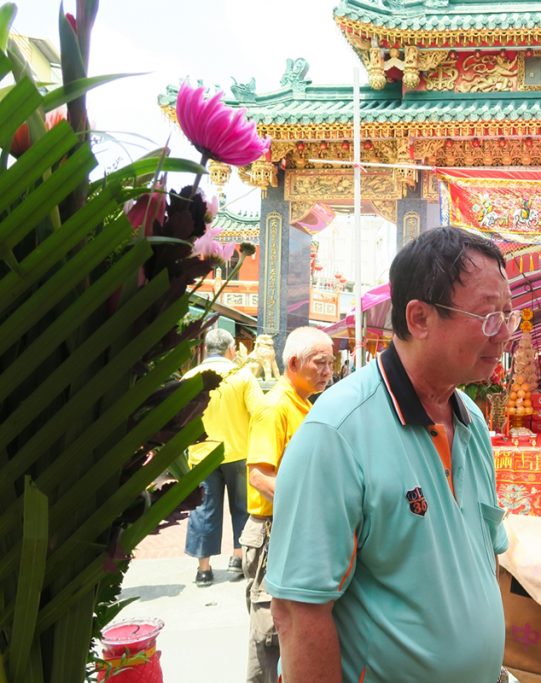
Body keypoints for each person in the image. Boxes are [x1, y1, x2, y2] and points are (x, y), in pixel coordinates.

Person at [266, 227, 516, 682]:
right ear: (419, 318)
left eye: (508, 315)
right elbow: (297, 610)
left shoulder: (471, 420)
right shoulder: (336, 433)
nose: (502, 335)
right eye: (487, 317)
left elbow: (482, 558)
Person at [239, 326, 334, 683]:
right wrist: (309, 506)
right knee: (268, 633)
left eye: (331, 362)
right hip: (271, 532)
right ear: (293, 363)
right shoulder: (274, 407)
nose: (328, 371)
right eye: (320, 363)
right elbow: (259, 477)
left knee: (289, 625)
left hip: (290, 528)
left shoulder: (303, 403)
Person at [183, 328, 263, 586]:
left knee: (203, 509)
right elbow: (260, 412)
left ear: (207, 349)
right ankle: (237, 559)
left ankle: (203, 569)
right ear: (231, 350)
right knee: (241, 507)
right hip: (238, 453)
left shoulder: (190, 377)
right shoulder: (242, 376)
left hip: (202, 455)